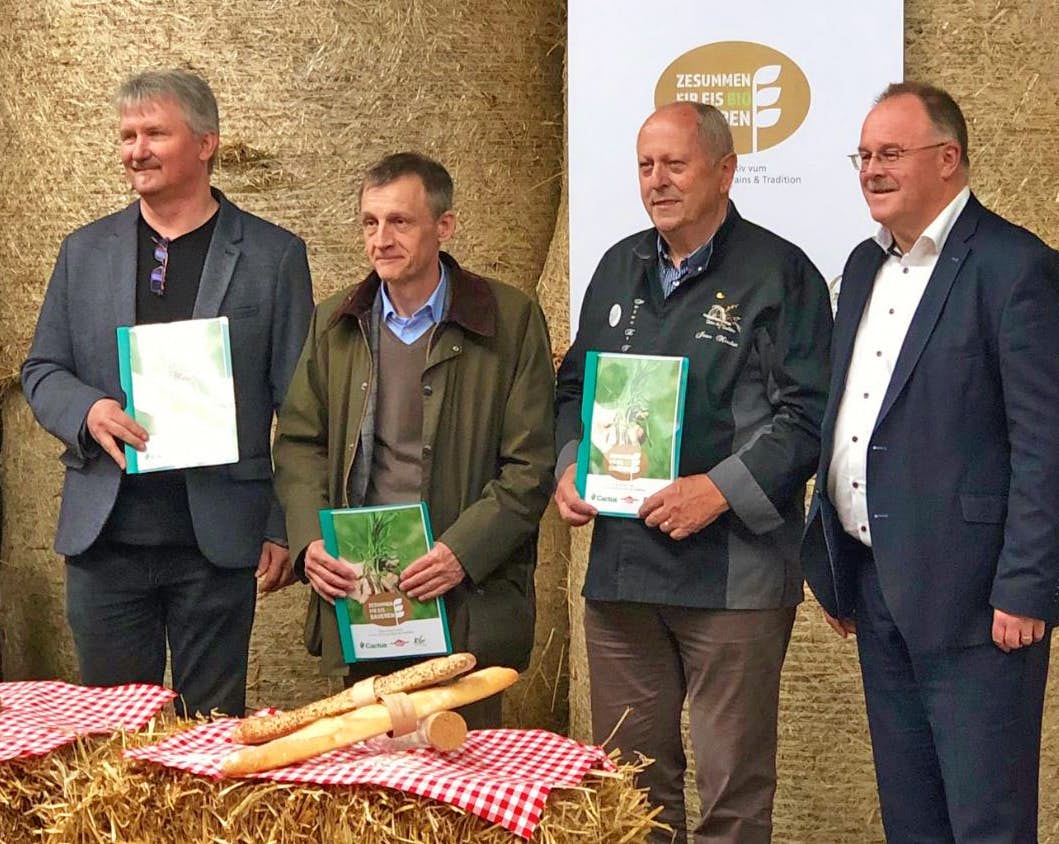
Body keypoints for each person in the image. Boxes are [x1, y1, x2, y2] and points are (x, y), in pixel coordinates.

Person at [554, 102, 832, 844]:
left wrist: (716, 491)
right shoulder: (617, 265)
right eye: (646, 166)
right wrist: (569, 466)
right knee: (630, 792)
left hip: (733, 579)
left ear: (726, 170)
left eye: (675, 164)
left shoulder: (780, 273)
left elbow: (809, 417)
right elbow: (573, 388)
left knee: (731, 795)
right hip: (622, 576)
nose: (657, 181)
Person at [802, 82, 1059, 843]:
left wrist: (1027, 586)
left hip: (979, 604)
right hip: (876, 585)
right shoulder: (861, 265)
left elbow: (1044, 443)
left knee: (985, 821)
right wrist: (834, 553)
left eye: (890, 153)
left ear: (948, 159)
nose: (870, 170)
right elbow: (850, 413)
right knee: (911, 819)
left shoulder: (1015, 267)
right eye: (863, 155)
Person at [21, 68, 314, 716]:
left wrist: (282, 524)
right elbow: (42, 369)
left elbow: (301, 409)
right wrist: (89, 410)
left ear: (206, 143)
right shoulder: (83, 251)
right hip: (105, 544)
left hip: (218, 543)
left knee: (209, 738)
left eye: (154, 133)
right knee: (113, 744)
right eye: (127, 135)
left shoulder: (274, 257)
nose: (136, 150)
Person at [272, 152, 555, 728]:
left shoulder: (511, 319)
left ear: (444, 226)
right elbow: (300, 443)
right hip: (362, 598)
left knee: (462, 761)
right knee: (373, 766)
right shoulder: (334, 324)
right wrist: (309, 543)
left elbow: (530, 466)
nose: (381, 239)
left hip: (465, 601)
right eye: (370, 223)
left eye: (399, 221)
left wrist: (462, 553)